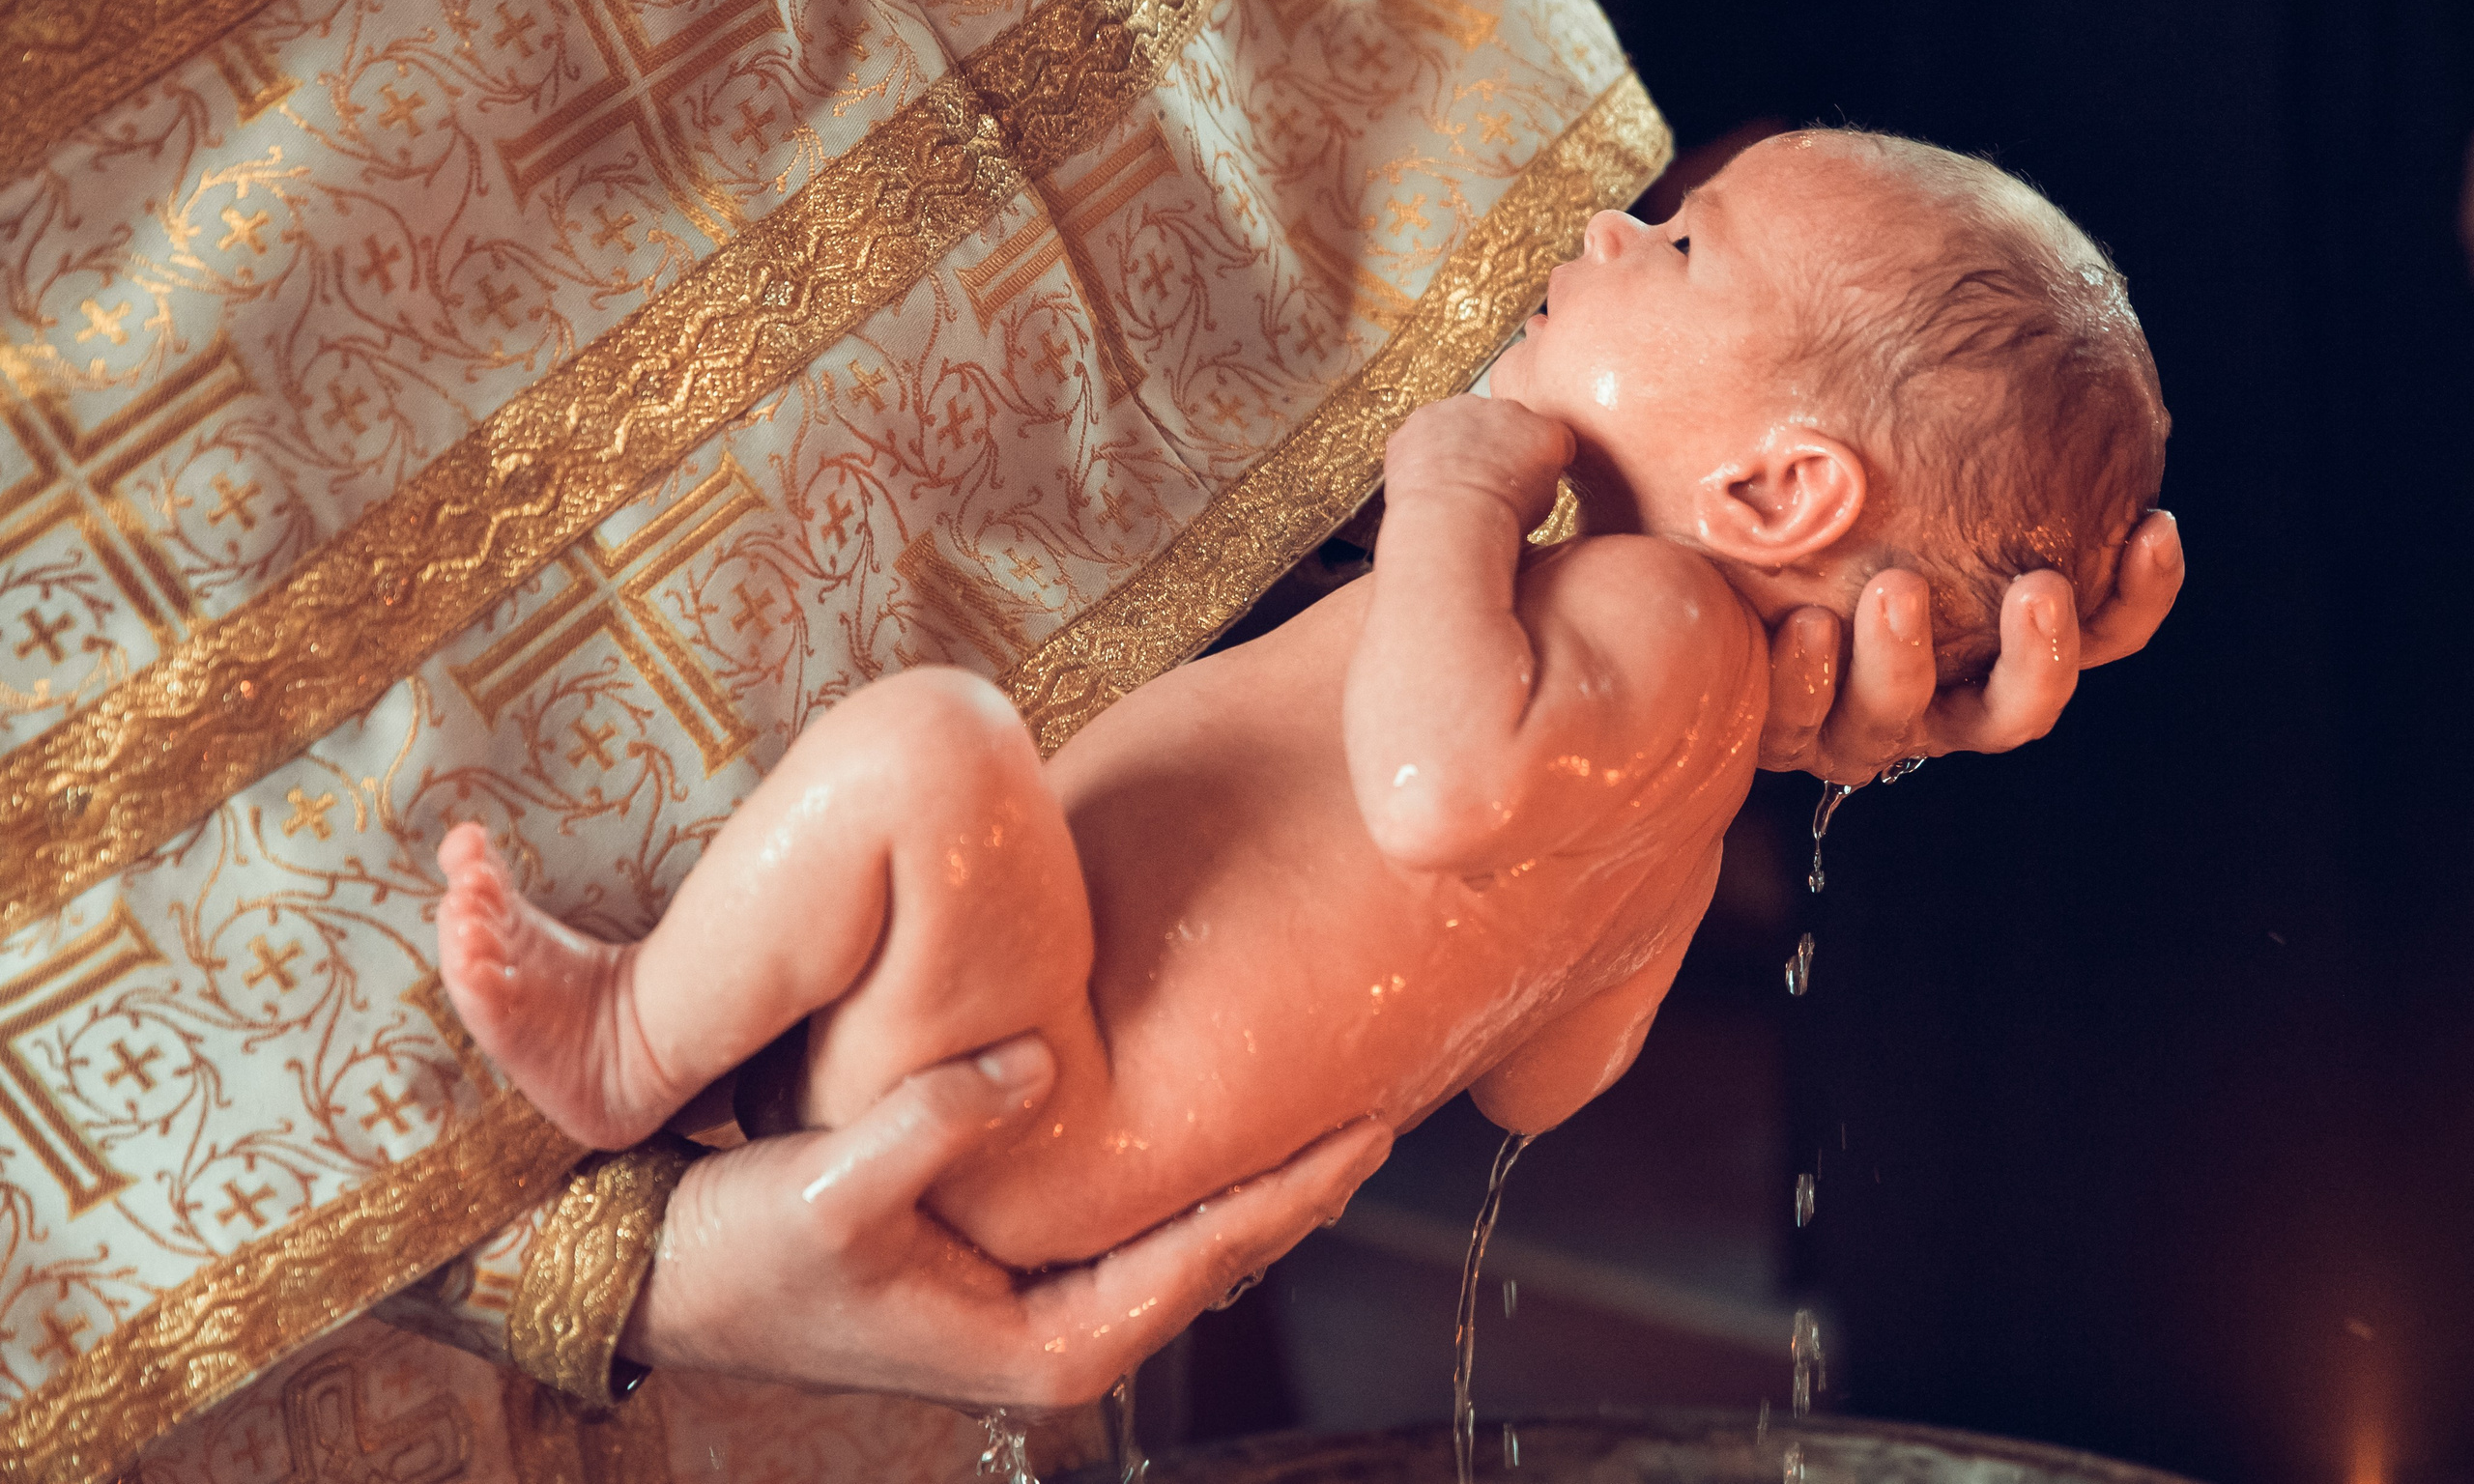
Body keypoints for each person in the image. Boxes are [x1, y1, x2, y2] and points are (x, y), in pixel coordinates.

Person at [433, 128, 2172, 1290]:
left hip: (1017, 1077)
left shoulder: (1641, 610)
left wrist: (1448, 491)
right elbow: (1544, 1088)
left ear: (1782, 492)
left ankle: (627, 1045)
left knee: (936, 747)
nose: (1607, 227)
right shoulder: (1687, 792)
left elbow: (1426, 787)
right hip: (1055, 1173)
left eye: (1682, 244)